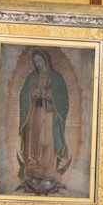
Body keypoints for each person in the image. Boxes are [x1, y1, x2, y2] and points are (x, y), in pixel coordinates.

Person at [17, 48, 71, 194]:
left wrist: (50, 95)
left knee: (48, 140)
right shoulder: (31, 78)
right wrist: (31, 95)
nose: (38, 64)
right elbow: (23, 96)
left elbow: (63, 99)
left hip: (49, 115)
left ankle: (48, 170)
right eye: (36, 62)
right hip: (34, 113)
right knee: (34, 139)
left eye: (40, 60)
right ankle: (33, 168)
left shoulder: (57, 78)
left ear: (46, 60)